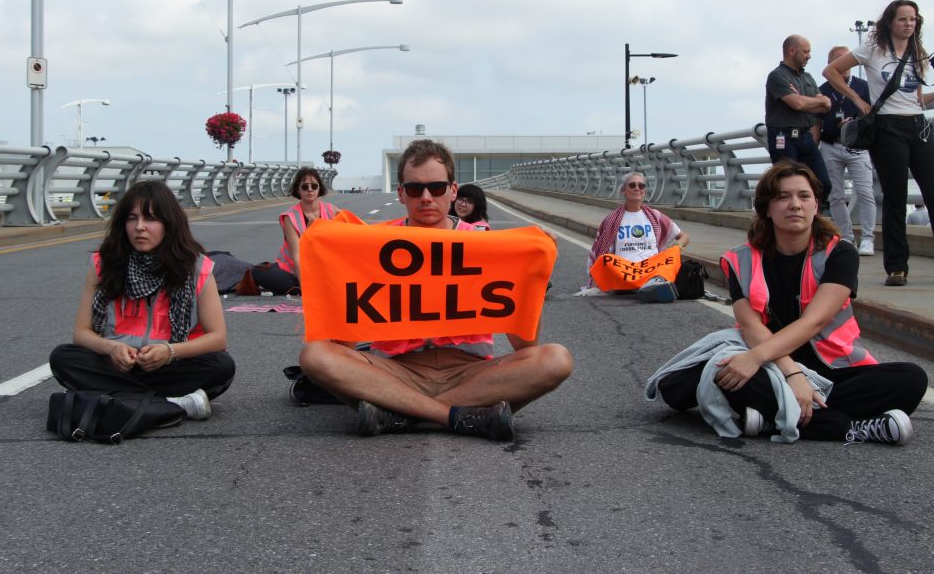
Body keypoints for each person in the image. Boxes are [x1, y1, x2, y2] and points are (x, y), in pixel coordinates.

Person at [298, 139, 573, 441]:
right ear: (401, 193)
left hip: (469, 370)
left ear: (453, 191)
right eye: (415, 189)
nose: (426, 197)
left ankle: (400, 413)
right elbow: (345, 347)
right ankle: (455, 416)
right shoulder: (373, 241)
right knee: (316, 355)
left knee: (556, 359)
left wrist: (534, 274)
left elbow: (525, 346)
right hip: (396, 369)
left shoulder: (486, 244)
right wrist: (332, 264)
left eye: (437, 188)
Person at [646, 161, 927, 444]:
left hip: (832, 369)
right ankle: (854, 428)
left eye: (804, 196)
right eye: (783, 197)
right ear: (767, 208)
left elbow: (813, 321)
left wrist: (780, 371)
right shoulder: (738, 259)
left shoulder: (839, 253)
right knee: (713, 378)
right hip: (770, 363)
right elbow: (749, 326)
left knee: (911, 379)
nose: (795, 204)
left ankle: (772, 418)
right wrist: (789, 373)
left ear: (816, 205)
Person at [49, 180, 235, 421]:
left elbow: (217, 338)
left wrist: (169, 351)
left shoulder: (196, 268)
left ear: (169, 224)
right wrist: (113, 348)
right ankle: (172, 403)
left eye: (150, 219)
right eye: (132, 219)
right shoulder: (104, 265)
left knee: (221, 365)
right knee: (63, 358)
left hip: (168, 364)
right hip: (117, 363)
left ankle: (115, 397)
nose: (140, 227)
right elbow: (82, 333)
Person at [822, 0, 934, 287]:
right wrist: (859, 100)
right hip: (887, 127)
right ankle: (897, 267)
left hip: (918, 126)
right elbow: (831, 72)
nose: (909, 24)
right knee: (895, 198)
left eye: (913, 19)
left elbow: (917, 99)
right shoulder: (873, 48)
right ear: (890, 22)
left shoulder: (917, 52)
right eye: (903, 19)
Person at [584, 171, 690, 300]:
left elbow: (684, 237)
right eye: (632, 185)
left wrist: (677, 246)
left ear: (644, 191)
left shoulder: (655, 216)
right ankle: (642, 286)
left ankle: (653, 284)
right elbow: (601, 250)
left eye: (641, 186)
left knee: (673, 254)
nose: (637, 188)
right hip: (624, 270)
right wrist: (594, 286)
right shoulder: (612, 219)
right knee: (603, 259)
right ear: (623, 190)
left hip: (651, 268)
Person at [817, 45, 876, 255]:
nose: (846, 66)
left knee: (865, 192)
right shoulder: (822, 90)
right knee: (835, 195)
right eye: (840, 61)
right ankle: (847, 237)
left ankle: (868, 238)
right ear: (831, 64)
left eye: (849, 61)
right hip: (830, 144)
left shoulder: (863, 87)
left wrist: (857, 123)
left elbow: (873, 114)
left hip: (857, 146)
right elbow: (816, 120)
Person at [764, 35, 832, 204]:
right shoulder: (777, 76)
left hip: (805, 136)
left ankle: (811, 221)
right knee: (785, 185)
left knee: (823, 183)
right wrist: (808, 101)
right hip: (783, 138)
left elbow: (825, 105)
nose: (809, 56)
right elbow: (797, 104)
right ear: (792, 51)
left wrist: (806, 100)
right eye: (806, 52)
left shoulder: (807, 77)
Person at [252, 167, 339, 295]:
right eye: (305, 186)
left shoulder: (332, 210)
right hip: (292, 270)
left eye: (314, 186)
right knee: (259, 272)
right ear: (298, 189)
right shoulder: (290, 217)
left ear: (319, 188)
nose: (310, 189)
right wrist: (306, 287)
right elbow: (297, 256)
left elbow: (352, 233)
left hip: (324, 267)